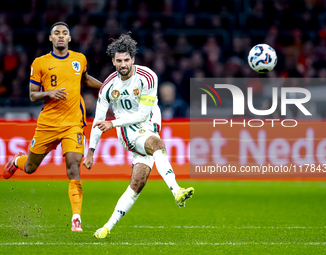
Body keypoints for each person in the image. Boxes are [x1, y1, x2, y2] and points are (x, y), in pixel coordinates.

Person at [82, 34, 194, 239]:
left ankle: (106, 227)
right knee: (157, 144)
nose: (123, 64)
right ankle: (177, 191)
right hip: (128, 131)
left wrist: (111, 122)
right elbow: (99, 121)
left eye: (126, 60)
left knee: (138, 182)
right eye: (119, 60)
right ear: (113, 61)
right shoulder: (107, 87)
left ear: (133, 59)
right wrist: (91, 151)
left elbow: (143, 114)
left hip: (147, 124)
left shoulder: (147, 76)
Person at [3, 22, 102, 232]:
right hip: (48, 123)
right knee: (30, 167)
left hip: (73, 123)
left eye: (64, 33)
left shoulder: (79, 59)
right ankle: (17, 161)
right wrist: (48, 93)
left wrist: (106, 87)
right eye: (56, 33)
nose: (60, 36)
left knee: (74, 166)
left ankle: (76, 218)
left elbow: (84, 80)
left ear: (69, 39)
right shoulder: (40, 63)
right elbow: (32, 95)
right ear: (50, 38)